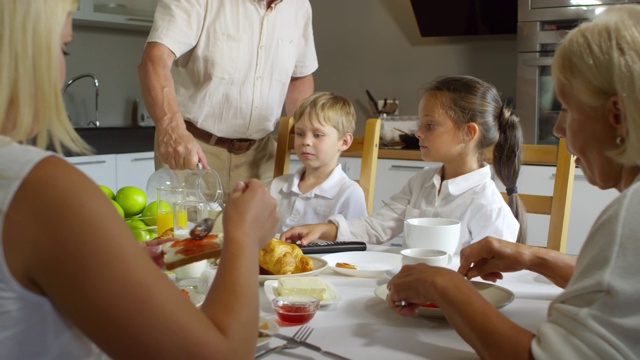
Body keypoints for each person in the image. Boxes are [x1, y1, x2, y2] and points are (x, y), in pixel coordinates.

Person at [0, 1, 278, 358]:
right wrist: (243, 238)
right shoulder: (39, 187)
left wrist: (104, 256)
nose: (60, 71)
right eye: (61, 47)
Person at [386, 4, 640, 358]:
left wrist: (439, 282)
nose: (557, 129)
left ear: (616, 115)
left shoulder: (631, 215)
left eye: (567, 108)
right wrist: (536, 258)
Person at [281, 75, 525, 253]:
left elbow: (489, 284)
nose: (417, 132)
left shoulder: (489, 207)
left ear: (468, 134)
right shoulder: (421, 183)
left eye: (429, 125)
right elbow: (377, 228)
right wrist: (323, 230)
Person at [138, 0, 318, 200]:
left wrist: (307, 135)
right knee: (186, 231)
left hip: (262, 157)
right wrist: (171, 129)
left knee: (263, 232)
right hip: (193, 152)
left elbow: (300, 75)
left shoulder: (299, 6)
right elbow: (155, 60)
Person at [269, 92, 367, 234]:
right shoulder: (277, 186)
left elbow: (355, 241)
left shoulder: (349, 192)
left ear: (344, 142)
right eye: (300, 133)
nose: (306, 141)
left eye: (318, 135)